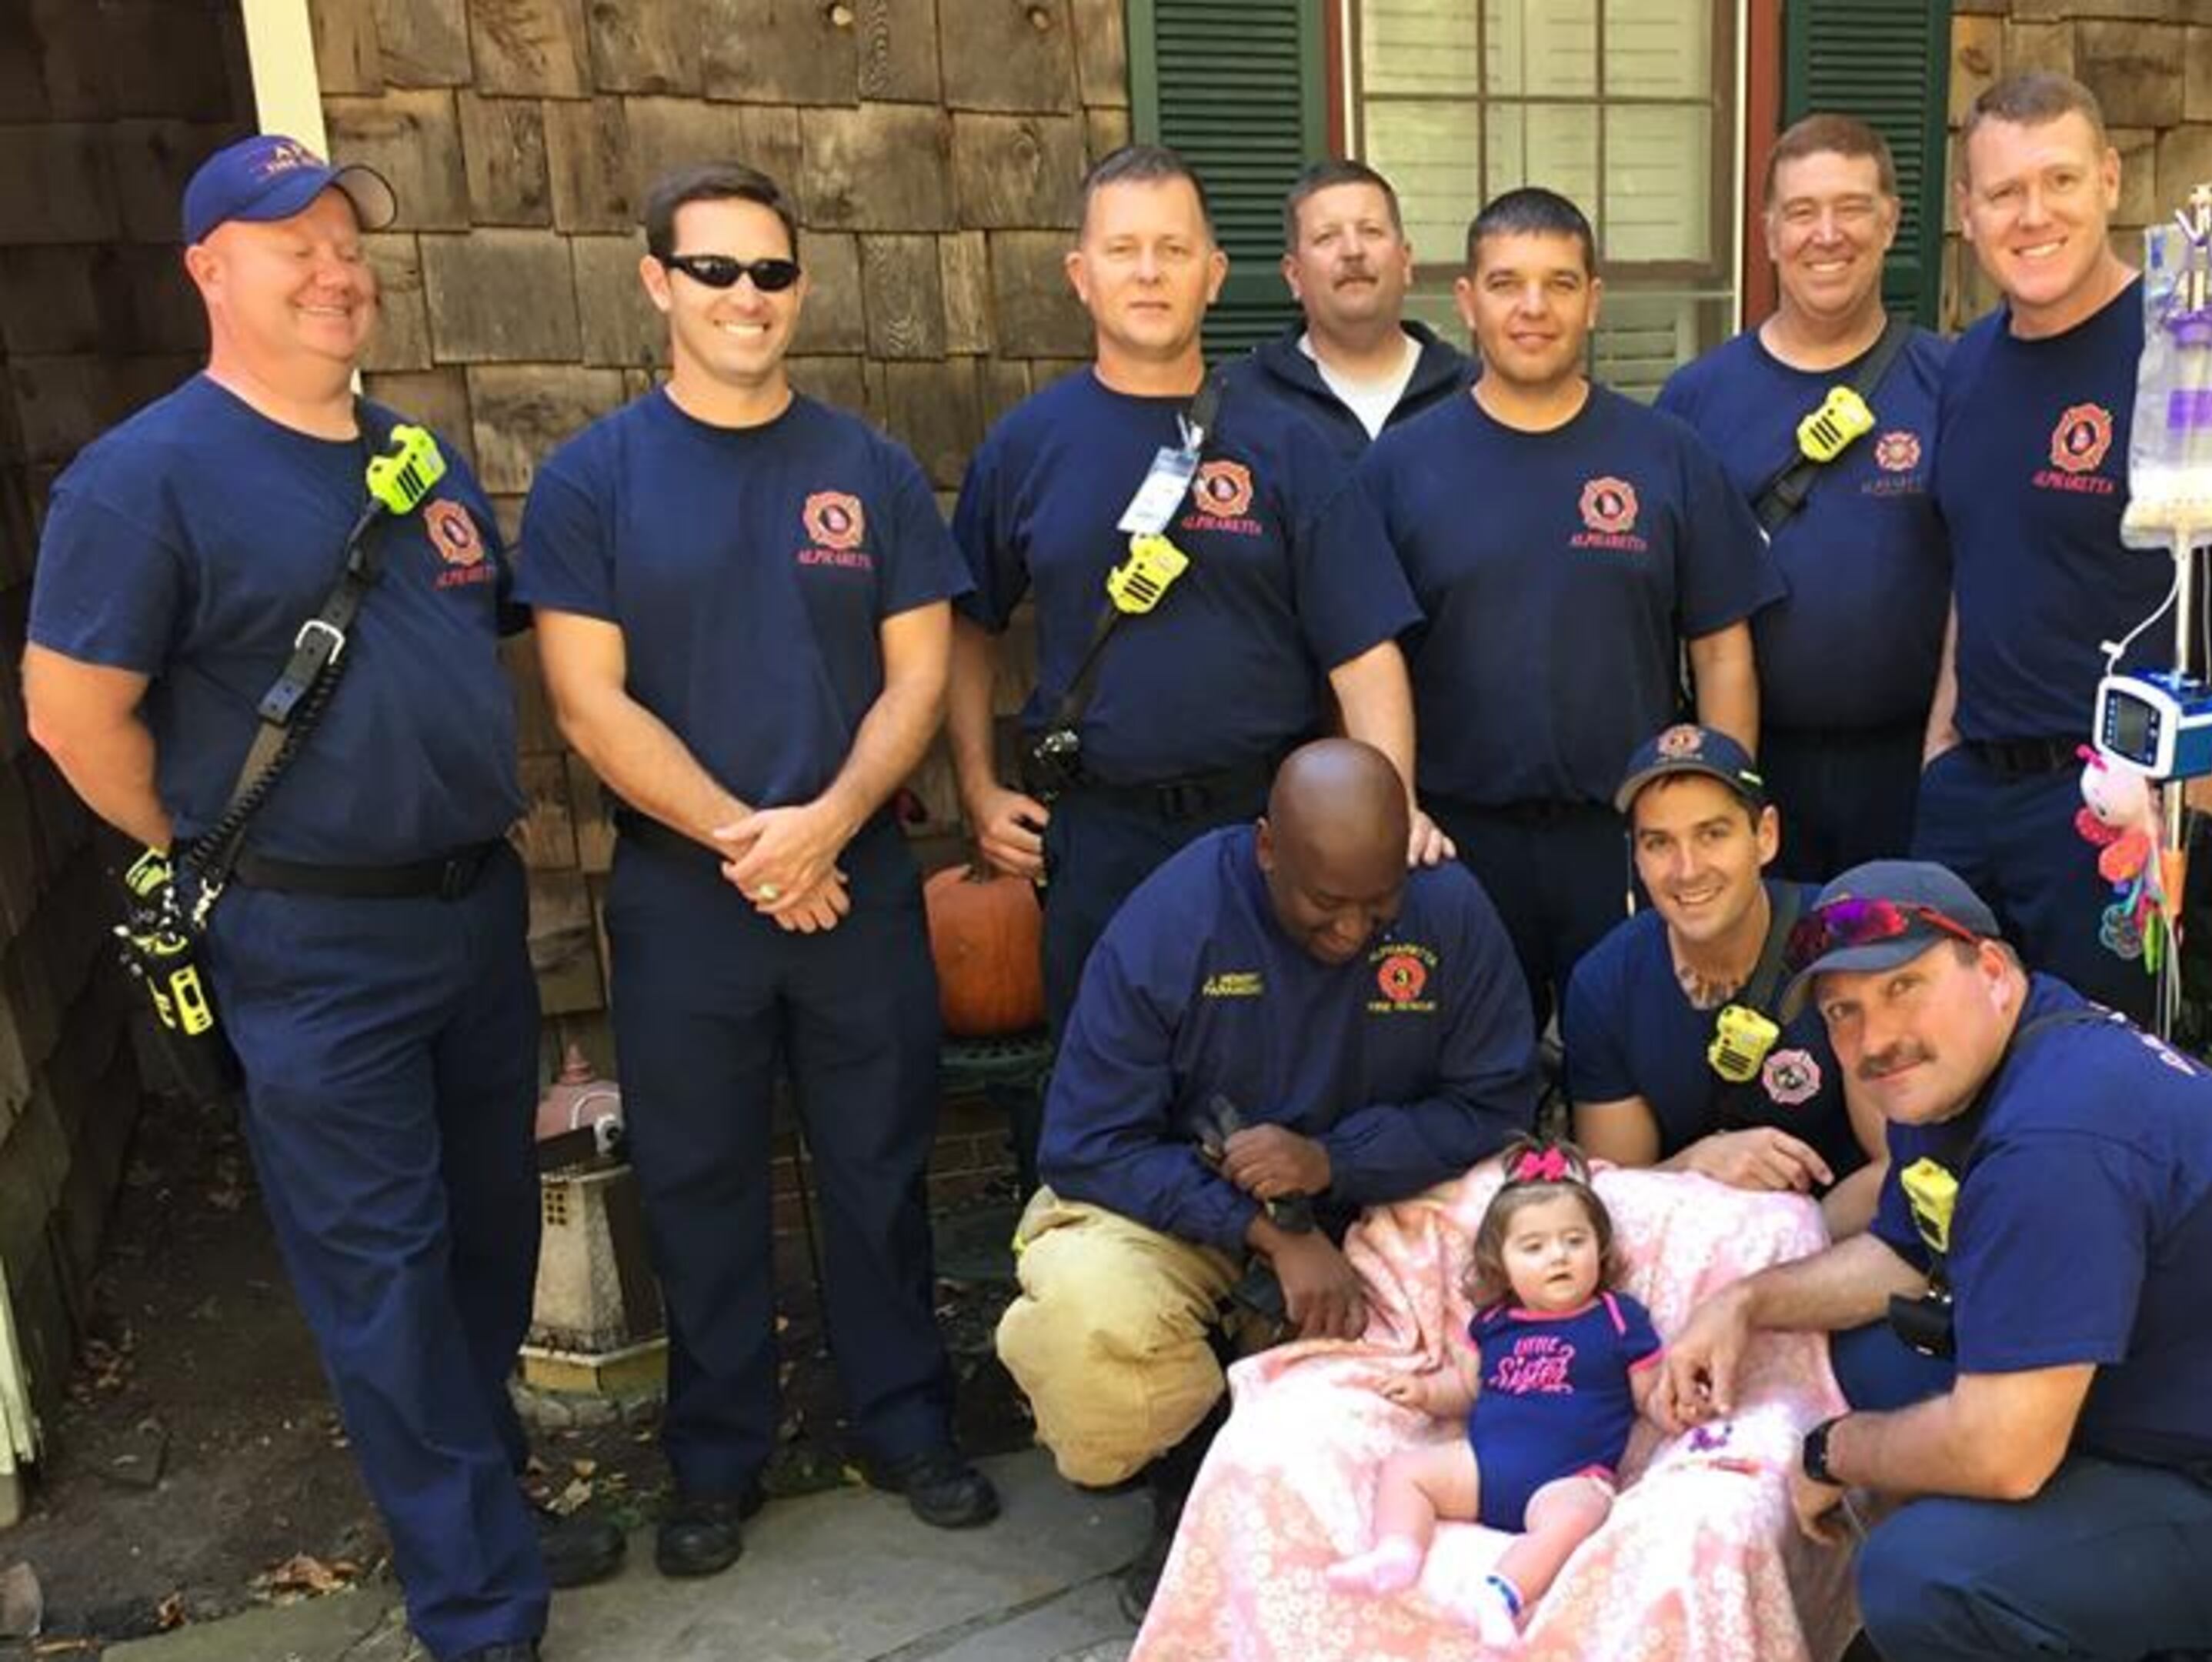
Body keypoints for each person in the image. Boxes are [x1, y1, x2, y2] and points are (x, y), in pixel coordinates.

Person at [22, 135, 617, 1662]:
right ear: (210, 270)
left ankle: (479, 1507)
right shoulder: (143, 480)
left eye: (348, 243)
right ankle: (477, 1605)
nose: (335, 270)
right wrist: (217, 853)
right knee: (385, 1276)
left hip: (470, 916)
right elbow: (72, 718)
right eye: (294, 243)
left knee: (485, 1243)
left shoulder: (416, 460)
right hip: (309, 942)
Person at [518, 160, 993, 1580]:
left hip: (859, 880)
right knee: (700, 1180)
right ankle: (716, 1458)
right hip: (688, 895)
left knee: (878, 1166)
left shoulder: (871, 470)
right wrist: (757, 843)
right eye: (714, 269)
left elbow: (919, 677)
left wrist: (828, 824)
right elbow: (586, 703)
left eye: (771, 272)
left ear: (800, 288)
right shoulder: (593, 479)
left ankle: (905, 1422)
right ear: (657, 281)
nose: (746, 296)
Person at [1654, 861, 2212, 1660]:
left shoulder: (2057, 1136)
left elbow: (2004, 1455)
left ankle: (2146, 1625)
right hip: (2184, 1410)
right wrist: (1743, 1303)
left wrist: (1836, 1451)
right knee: (1870, 1358)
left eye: (1904, 986)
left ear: (1992, 971)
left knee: (1922, 1575)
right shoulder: (1978, 1060)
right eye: (1843, 1011)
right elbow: (1907, 1255)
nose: (1876, 1039)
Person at [947, 145, 1430, 1189]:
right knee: (1109, 1101)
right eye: (1123, 249)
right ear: (1080, 274)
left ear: (1214, 273)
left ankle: (1280, 1284)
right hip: (1100, 836)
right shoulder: (1026, 447)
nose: (1149, 272)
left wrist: (1380, 829)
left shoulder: (1289, 447)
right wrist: (976, 788)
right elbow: (965, 627)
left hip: (1267, 832)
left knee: (1287, 1090)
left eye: (1173, 250)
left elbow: (1364, 655)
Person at [996, 738, 1537, 1617]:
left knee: (1540, 1240)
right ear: (1267, 849)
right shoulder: (1173, 921)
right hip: (1201, 1204)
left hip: (1388, 1202)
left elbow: (1496, 1102)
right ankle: (1190, 1477)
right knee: (1088, 1315)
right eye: (1326, 905)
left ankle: (1431, 1490)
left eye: (1378, 906)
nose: (1353, 932)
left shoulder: (1449, 906)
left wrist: (1334, 1161)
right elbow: (1087, 1143)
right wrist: (1270, 1232)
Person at [1920, 72, 2212, 1016]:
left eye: (2059, 181)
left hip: (2112, 811)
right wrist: (1941, 746)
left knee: (2097, 1078)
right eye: (2004, 192)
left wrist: (2187, 807)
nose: (2034, 215)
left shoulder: (2193, 354)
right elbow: (1978, 565)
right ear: (1968, 212)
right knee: (1947, 1068)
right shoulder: (1969, 363)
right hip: (1971, 795)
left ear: (2109, 179)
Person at [1361, 187, 1782, 1026]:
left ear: (1593, 301)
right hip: (1456, 841)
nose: (1533, 307)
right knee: (1470, 1069)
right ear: (1467, 301)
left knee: (1636, 1061)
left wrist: (1719, 809)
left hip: (1627, 836)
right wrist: (1393, 809)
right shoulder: (1399, 468)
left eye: (1558, 283)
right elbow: (1366, 660)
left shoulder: (1667, 456)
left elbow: (1721, 649)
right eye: (1506, 283)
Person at [1656, 115, 1952, 879]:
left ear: (1890, 222)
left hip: (1915, 770)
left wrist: (1947, 758)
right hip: (1754, 768)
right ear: (1768, 233)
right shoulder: (1695, 400)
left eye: (1852, 208)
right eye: (1801, 212)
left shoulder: (1952, 384)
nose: (1827, 235)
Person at [1326, 1140, 1663, 1651]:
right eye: (1534, 1247)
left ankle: (1499, 1593)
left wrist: (1677, 1405)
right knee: (1406, 1471)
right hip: (1485, 1467)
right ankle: (1397, 1553)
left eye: (1575, 1240)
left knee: (1580, 1515)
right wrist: (1424, 1391)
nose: (1558, 1256)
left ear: (1600, 1248)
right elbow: (1467, 1389)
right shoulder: (1494, 1324)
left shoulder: (1618, 1318)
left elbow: (1650, 1394)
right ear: (1501, 1265)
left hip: (1569, 1475)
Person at [1564, 725, 1885, 1235]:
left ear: (1766, 836)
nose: (1687, 869)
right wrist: (1695, 1165)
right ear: (1636, 858)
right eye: (1659, 843)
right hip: (1684, 1246)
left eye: (1712, 834)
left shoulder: (1841, 941)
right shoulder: (1605, 983)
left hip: (1842, 1238)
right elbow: (1616, 1200)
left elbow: (1900, 1169)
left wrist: (1782, 1247)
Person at [1229, 158, 1476, 454]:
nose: (1353, 251)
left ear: (1405, 261)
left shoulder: (1477, 392)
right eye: (1327, 237)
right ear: (1294, 275)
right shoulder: (1237, 400)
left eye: (1370, 231)